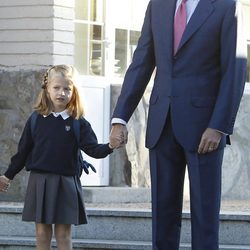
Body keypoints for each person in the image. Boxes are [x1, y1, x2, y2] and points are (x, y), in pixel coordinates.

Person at [110, 0, 247, 249]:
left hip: (205, 129)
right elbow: (141, 62)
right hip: (161, 124)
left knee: (205, 217)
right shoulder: (158, 5)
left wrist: (219, 126)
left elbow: (234, 70)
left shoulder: (227, 6)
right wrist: (120, 117)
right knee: (162, 216)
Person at [0, 65, 114, 250]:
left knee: (63, 234)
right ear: (47, 89)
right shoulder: (36, 119)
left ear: (74, 91)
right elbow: (23, 152)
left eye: (67, 89)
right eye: (57, 87)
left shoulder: (78, 122)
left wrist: (110, 146)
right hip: (40, 182)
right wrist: (7, 176)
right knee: (42, 234)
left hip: (66, 183)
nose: (62, 93)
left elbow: (93, 149)